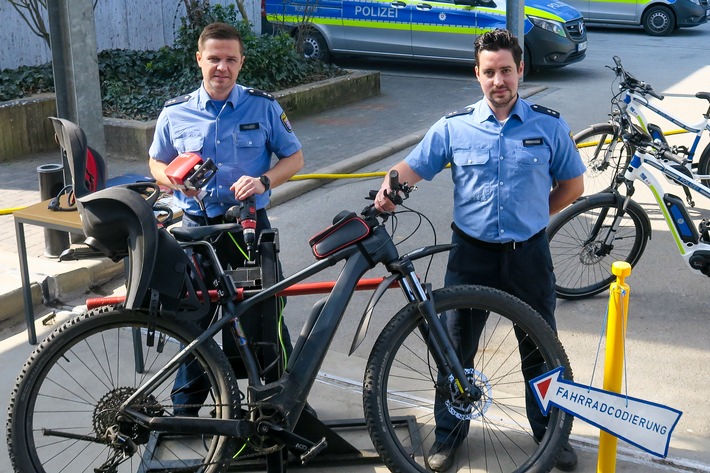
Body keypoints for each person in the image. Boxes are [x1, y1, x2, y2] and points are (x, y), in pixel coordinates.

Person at [374, 29, 585, 472]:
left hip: (528, 255)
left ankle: (550, 435)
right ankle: (449, 436)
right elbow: (409, 169)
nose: (498, 80)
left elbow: (572, 186)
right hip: (471, 256)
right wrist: (389, 189)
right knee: (456, 349)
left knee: (540, 350)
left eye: (506, 70)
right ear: (477, 75)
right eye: (489, 72)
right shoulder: (453, 127)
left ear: (520, 70)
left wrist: (532, 217)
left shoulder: (548, 125)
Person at [148, 22, 304, 415]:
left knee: (262, 318)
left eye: (230, 59)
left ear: (241, 62)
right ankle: (185, 411)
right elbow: (156, 160)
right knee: (191, 321)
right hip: (197, 232)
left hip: (248, 233)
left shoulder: (263, 106)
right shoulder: (176, 112)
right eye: (214, 58)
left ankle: (272, 403)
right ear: (199, 59)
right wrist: (172, 180)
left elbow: (295, 158)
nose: (222, 67)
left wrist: (264, 180)